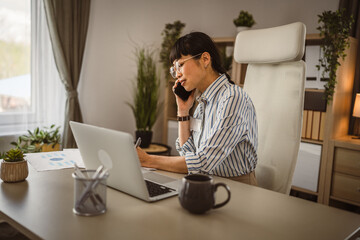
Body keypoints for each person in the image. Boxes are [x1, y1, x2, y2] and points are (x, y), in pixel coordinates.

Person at [136, 32, 258, 185]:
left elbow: (203, 162)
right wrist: (183, 112)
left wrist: (148, 160)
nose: (177, 75)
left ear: (205, 59)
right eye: (174, 69)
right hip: (206, 182)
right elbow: (188, 154)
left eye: (180, 65)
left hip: (237, 187)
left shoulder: (232, 98)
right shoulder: (202, 104)